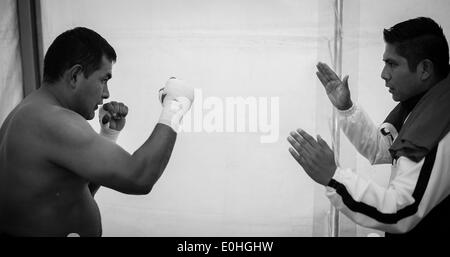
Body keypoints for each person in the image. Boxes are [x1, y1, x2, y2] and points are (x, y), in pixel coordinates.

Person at [0, 27, 194, 237]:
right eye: (103, 79)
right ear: (75, 76)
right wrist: (174, 105)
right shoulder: (52, 120)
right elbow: (139, 177)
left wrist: (108, 136)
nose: (107, 93)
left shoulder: (28, 112)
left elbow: (70, 193)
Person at [287, 17, 450, 236]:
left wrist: (333, 177)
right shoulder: (421, 104)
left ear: (424, 69)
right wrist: (346, 108)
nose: (384, 74)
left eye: (392, 63)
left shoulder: (440, 125)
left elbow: (401, 211)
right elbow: (381, 149)